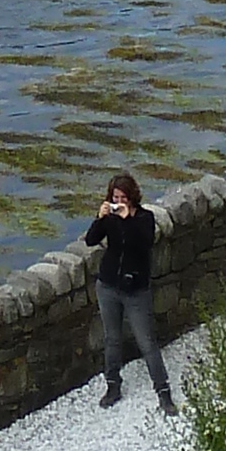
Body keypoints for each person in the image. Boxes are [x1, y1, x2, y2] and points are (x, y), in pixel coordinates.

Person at [84, 170, 172, 414]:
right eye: (115, 197)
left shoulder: (144, 218)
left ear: (132, 197)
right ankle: (113, 385)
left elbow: (144, 243)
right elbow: (91, 240)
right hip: (109, 285)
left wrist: (128, 220)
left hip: (136, 290)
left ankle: (163, 392)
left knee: (146, 342)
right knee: (112, 338)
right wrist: (100, 219)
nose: (119, 202)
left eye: (122, 197)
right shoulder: (110, 219)